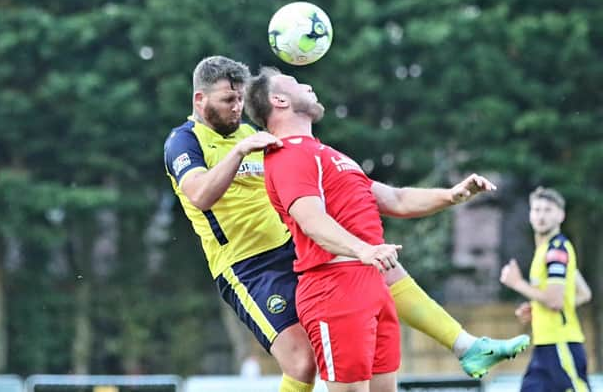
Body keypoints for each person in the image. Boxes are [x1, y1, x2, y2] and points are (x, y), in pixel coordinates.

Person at [163, 56, 528, 392]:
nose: (237, 107)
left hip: (291, 246)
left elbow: (389, 197)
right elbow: (198, 195)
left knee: (376, 267)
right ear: (199, 99)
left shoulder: (268, 140)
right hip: (248, 266)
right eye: (228, 99)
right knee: (303, 364)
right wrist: (240, 153)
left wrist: (450, 196)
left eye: (240, 98)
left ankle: (465, 345)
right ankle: (467, 345)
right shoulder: (185, 141)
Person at [500, 187, 592, 392]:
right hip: (544, 348)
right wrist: (537, 307)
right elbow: (583, 293)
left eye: (548, 210)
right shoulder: (547, 250)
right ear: (530, 215)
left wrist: (517, 283)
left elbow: (555, 301)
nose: (541, 215)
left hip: (561, 344)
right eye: (537, 210)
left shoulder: (556, 249)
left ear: (561, 215)